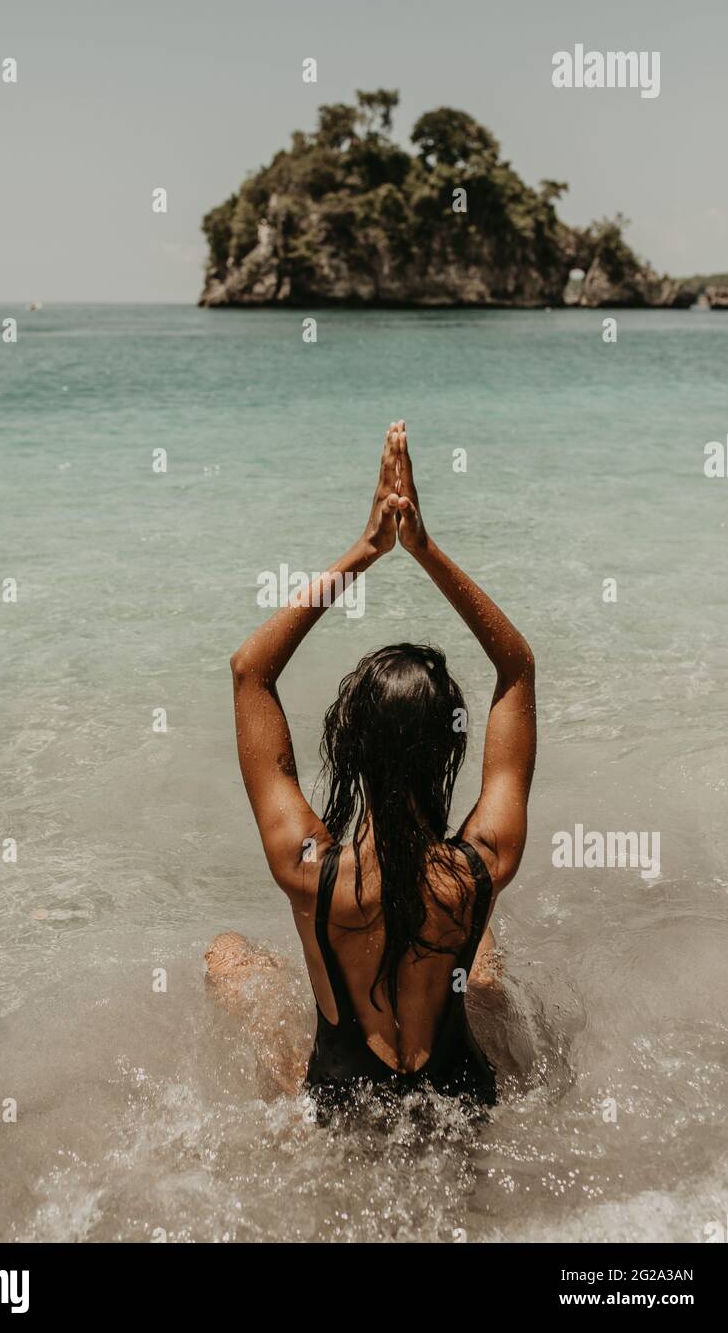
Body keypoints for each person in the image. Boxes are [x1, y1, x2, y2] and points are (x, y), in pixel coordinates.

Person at [208, 422, 536, 1115]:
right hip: (464, 1098)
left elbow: (250, 673)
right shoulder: (480, 867)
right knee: (482, 959)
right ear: (449, 748)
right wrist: (425, 550)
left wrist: (363, 552)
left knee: (228, 954)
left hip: (343, 1104)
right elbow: (517, 668)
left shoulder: (308, 871)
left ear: (347, 747)